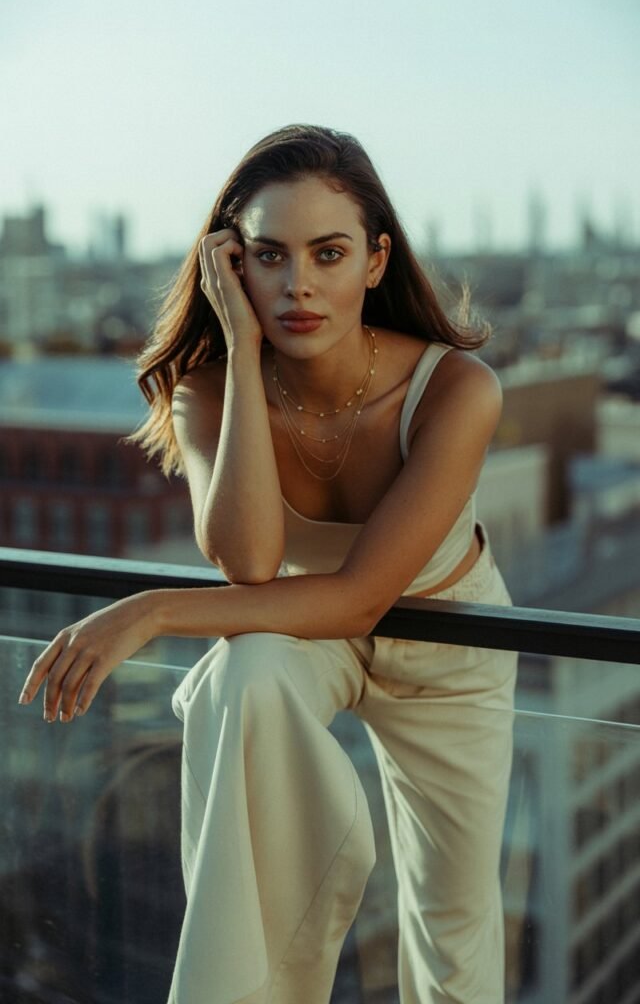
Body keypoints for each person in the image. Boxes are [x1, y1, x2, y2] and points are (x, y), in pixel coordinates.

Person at [18, 123, 518, 1004]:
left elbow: (363, 596)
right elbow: (250, 561)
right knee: (240, 677)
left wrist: (151, 609)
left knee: (454, 922)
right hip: (303, 626)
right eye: (268, 256)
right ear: (230, 267)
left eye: (328, 254)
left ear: (375, 260)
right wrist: (242, 355)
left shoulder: (456, 391)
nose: (298, 286)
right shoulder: (207, 389)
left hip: (448, 645)